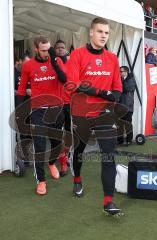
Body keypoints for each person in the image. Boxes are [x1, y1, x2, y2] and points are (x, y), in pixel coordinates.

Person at [66, 17, 123, 216]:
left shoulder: (113, 58)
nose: (103, 36)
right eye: (100, 32)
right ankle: (77, 180)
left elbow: (117, 88)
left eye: (106, 33)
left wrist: (113, 96)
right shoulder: (77, 55)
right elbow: (73, 83)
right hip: (81, 111)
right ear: (91, 32)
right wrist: (101, 92)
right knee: (80, 150)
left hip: (104, 113)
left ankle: (108, 201)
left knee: (109, 155)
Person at [16, 36, 66, 195]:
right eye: (43, 50)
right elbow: (22, 89)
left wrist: (54, 62)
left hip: (56, 109)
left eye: (48, 49)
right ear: (36, 49)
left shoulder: (56, 60)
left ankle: (52, 163)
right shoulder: (28, 66)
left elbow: (64, 79)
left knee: (57, 143)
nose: (46, 53)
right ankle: (41, 181)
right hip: (38, 110)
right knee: (39, 146)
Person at [54, 40, 71, 177]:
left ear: (66, 49)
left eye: (62, 47)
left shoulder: (71, 62)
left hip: (70, 103)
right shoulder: (53, 62)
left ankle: (66, 157)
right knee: (58, 134)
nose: (60, 49)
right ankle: (63, 161)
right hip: (57, 103)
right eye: (58, 47)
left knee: (69, 133)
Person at [117, 66, 136, 146]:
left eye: (122, 71)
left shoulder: (130, 79)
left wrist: (122, 81)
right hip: (120, 106)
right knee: (120, 124)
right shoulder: (119, 79)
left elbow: (127, 89)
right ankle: (120, 140)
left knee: (128, 124)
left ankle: (129, 140)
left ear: (126, 72)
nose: (121, 73)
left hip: (128, 106)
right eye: (120, 71)